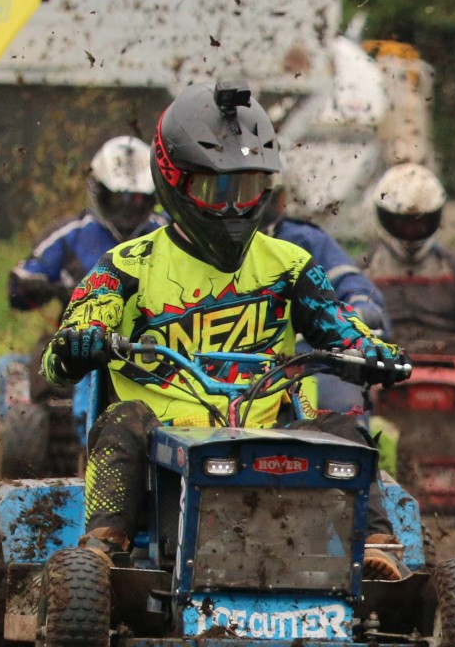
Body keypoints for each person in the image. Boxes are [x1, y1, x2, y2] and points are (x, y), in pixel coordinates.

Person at [41, 81, 411, 576]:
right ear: (174, 181)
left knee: (343, 428)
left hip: (266, 430)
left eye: (249, 188)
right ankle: (105, 546)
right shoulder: (127, 266)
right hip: (159, 441)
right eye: (217, 190)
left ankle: (377, 548)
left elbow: (338, 328)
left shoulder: (290, 265)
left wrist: (374, 354)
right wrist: (78, 345)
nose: (235, 207)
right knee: (122, 419)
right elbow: (62, 353)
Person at [361, 162, 455, 453]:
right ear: (383, 218)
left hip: (452, 357)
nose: (411, 232)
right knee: (347, 413)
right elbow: (340, 303)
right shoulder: (363, 270)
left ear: (435, 219)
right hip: (383, 361)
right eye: (402, 223)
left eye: (420, 222)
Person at [6, 135, 163, 400]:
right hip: (78, 342)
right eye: (118, 199)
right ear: (99, 191)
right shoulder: (71, 234)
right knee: (44, 360)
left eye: (136, 199)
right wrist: (32, 286)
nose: (126, 210)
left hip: (153, 344)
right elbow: (22, 279)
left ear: (151, 198)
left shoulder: (166, 232)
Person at [263, 187, 389, 419]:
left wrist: (361, 306)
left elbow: (349, 281)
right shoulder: (178, 241)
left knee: (345, 413)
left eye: (251, 188)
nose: (237, 204)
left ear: (278, 198)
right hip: (209, 377)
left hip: (304, 366)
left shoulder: (304, 240)